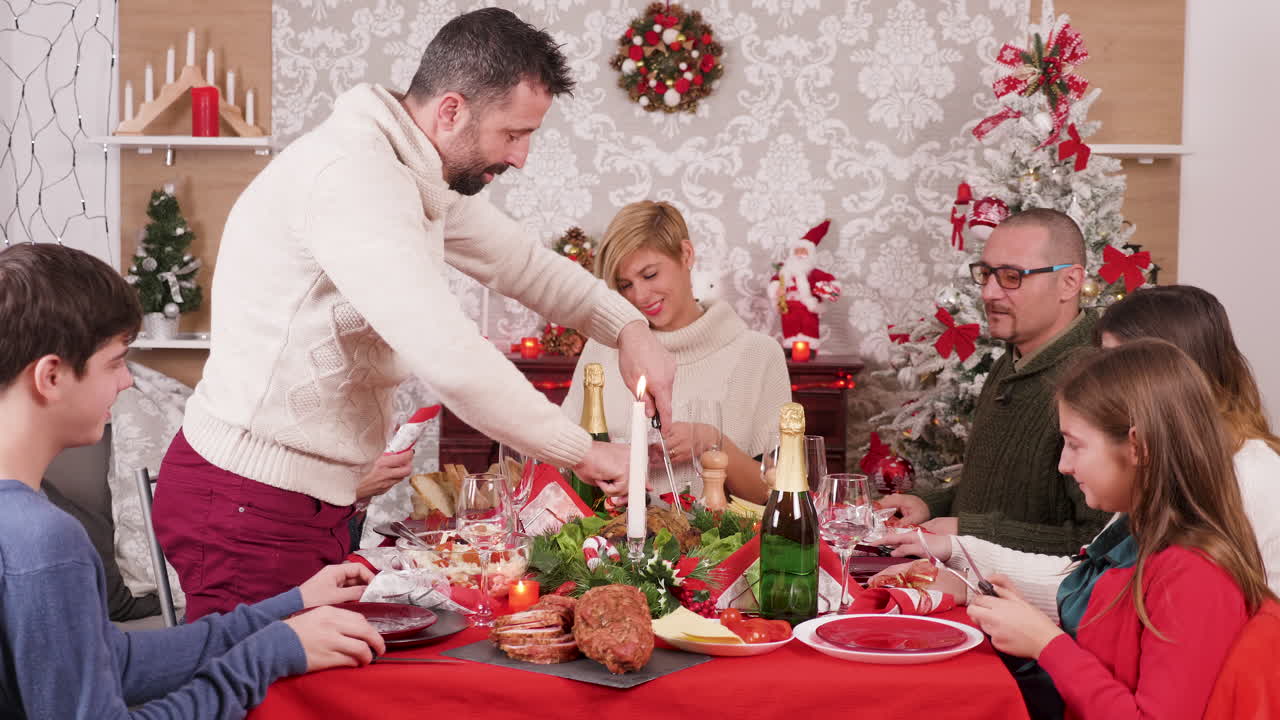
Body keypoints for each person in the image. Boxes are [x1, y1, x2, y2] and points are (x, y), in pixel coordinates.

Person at [152, 8, 676, 620]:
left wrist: (629, 327)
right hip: (247, 501)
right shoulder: (355, 177)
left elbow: (524, 266)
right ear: (451, 110)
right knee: (263, 702)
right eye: (513, 134)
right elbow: (448, 356)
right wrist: (583, 453)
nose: (523, 156)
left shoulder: (414, 170)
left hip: (309, 500)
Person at [0, 243, 386, 719]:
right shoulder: (44, 541)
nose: (126, 383)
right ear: (51, 376)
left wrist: (290, 606)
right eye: (116, 362)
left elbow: (114, 663)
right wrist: (262, 659)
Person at [881, 284, 1280, 612]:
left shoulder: (1244, 476)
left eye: (1114, 361)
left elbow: (1125, 612)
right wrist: (961, 554)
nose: (1097, 377)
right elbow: (1090, 583)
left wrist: (1042, 643)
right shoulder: (1162, 458)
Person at [966, 339, 1274, 720]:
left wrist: (1047, 644)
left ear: (1137, 447)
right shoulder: (1138, 534)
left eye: (1075, 445)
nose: (1063, 464)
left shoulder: (1193, 573)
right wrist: (1028, 626)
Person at [879, 208, 1110, 555]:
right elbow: (1005, 494)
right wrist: (929, 503)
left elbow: (1099, 542)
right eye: (985, 274)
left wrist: (970, 533)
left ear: (1070, 282)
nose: (988, 293)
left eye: (1011, 277)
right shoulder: (1012, 361)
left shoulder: (1095, 381)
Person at [562, 201, 791, 506]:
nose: (639, 296)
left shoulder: (759, 355)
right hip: (606, 546)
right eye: (625, 285)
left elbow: (779, 496)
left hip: (718, 552)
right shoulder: (602, 349)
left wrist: (710, 441)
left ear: (686, 254)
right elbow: (562, 464)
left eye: (650, 275)